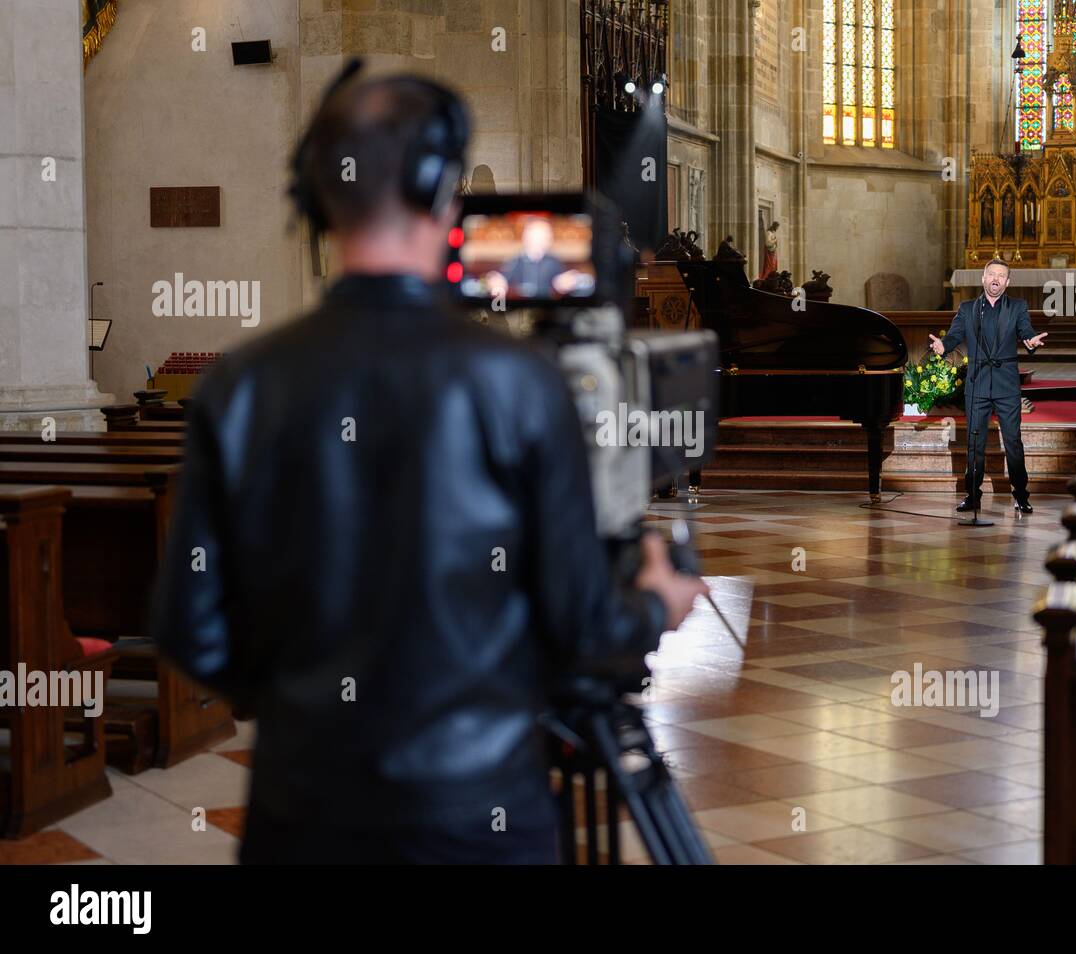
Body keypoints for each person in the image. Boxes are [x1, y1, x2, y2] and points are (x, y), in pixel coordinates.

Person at [150, 65, 707, 864]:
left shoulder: (240, 384)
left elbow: (190, 631)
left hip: (300, 814)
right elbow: (583, 630)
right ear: (440, 190)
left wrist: (306, 702)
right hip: (478, 815)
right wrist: (655, 604)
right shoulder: (516, 383)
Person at [928, 259, 1048, 514]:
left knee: (1013, 441)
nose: (996, 279)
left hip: (1006, 384)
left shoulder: (1018, 307)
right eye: (991, 274)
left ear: (1008, 281)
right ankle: (972, 496)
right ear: (983, 278)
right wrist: (942, 346)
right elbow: (954, 335)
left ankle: (1021, 495)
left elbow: (1026, 330)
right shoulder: (968, 308)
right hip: (978, 383)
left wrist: (1030, 341)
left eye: (1001, 275)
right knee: (974, 442)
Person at [483, 217, 588, 299]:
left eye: (544, 236)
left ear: (549, 239)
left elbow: (560, 280)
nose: (539, 241)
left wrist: (565, 282)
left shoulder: (554, 261)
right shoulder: (514, 260)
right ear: (525, 237)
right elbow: (502, 278)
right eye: (535, 236)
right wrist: (496, 281)